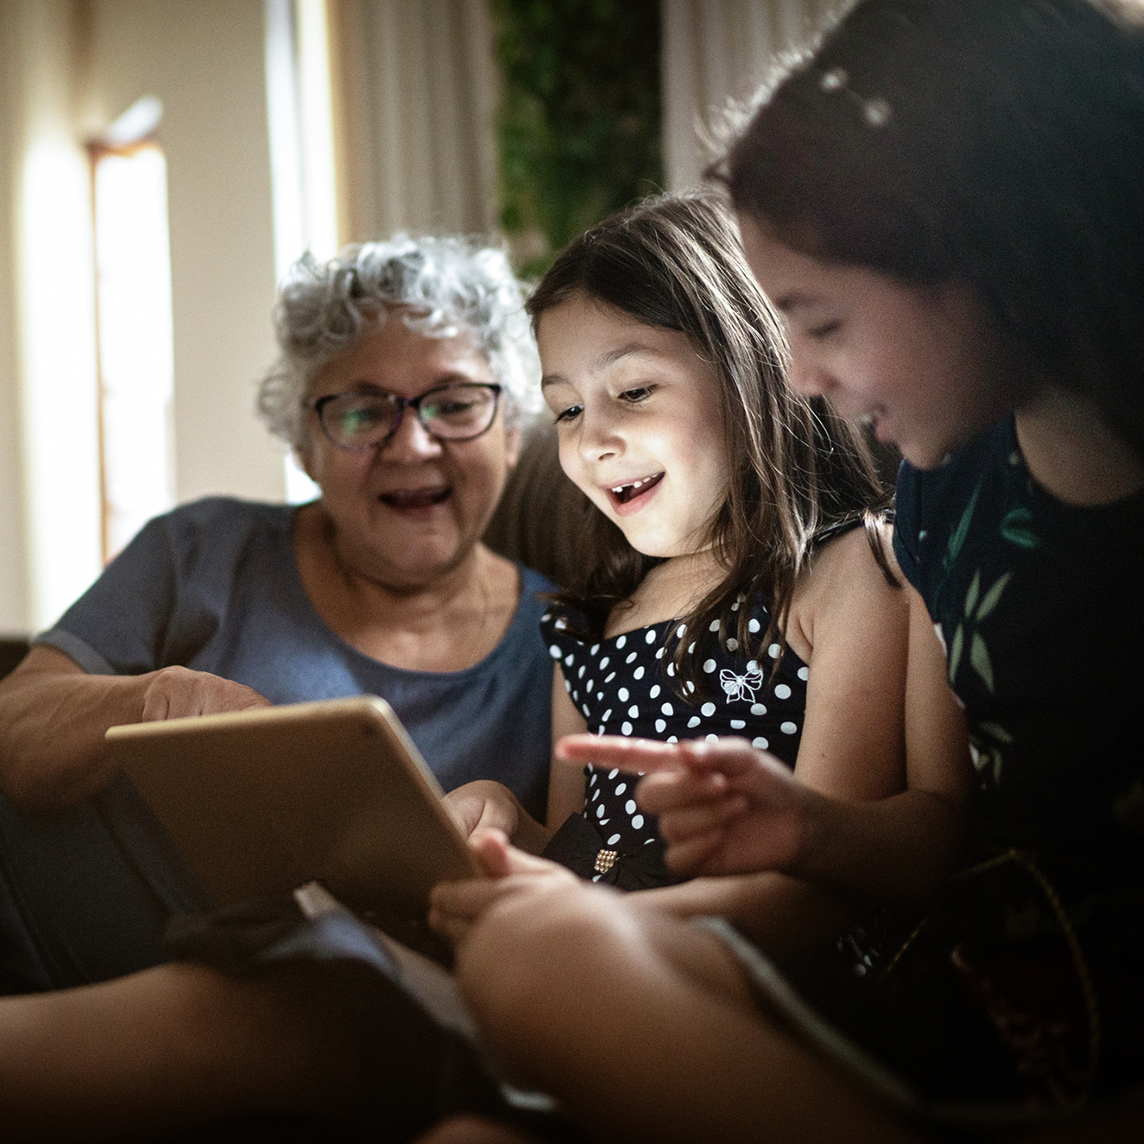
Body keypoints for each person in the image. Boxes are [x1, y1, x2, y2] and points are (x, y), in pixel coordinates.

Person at [428, 1, 1144, 1140]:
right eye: (564, 410)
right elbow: (936, 836)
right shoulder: (940, 493)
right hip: (976, 979)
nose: (797, 373)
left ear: (991, 249)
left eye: (815, 319)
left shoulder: (863, 564)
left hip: (1063, 1014)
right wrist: (805, 831)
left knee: (532, 971)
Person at [0, 235, 555, 993]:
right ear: (304, 442)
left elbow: (595, 892)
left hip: (292, 1014)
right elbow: (13, 728)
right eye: (363, 413)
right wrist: (149, 699)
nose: (414, 443)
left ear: (514, 428)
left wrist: (520, 836)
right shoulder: (198, 549)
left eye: (455, 404)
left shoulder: (569, 645)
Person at [442, 193, 971, 920]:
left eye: (632, 391)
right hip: (602, 955)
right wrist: (506, 824)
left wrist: (618, 937)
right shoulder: (593, 624)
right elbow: (582, 854)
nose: (593, 439)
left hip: (755, 963)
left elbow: (817, 891)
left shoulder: (850, 573)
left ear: (752, 369)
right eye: (567, 409)